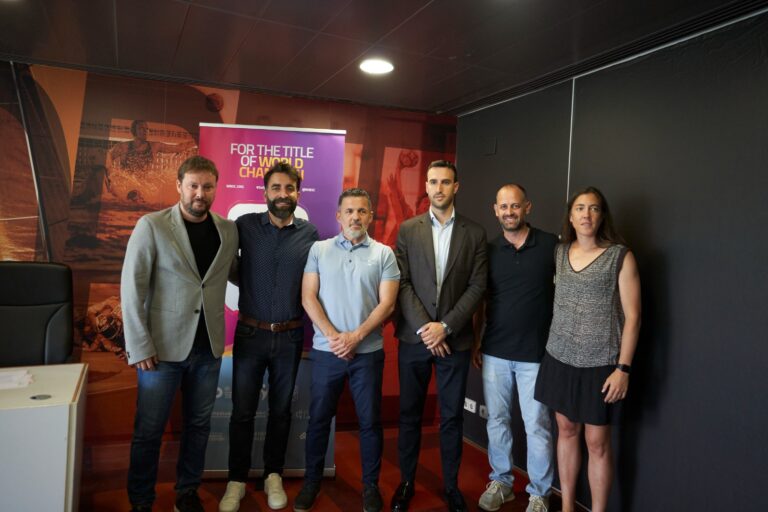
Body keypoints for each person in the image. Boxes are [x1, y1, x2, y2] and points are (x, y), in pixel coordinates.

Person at [121, 155, 238, 512]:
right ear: (179, 186)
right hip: (160, 351)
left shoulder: (228, 230)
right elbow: (131, 288)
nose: (200, 193)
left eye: (207, 186)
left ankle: (187, 492)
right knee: (148, 431)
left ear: (216, 187)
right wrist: (139, 346)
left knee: (199, 427)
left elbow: (233, 275)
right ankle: (141, 500)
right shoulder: (152, 226)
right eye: (193, 186)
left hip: (208, 349)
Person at [219, 162, 319, 512]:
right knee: (242, 411)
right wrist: (251, 285)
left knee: (280, 411)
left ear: (297, 193)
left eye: (289, 189)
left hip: (290, 337)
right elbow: (226, 266)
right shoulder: (245, 226)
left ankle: (273, 474)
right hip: (250, 333)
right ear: (265, 192)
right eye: (276, 188)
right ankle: (236, 480)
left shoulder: (310, 234)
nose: (282, 195)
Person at [534, 186, 641, 512]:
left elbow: (634, 316)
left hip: (601, 366)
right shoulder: (559, 253)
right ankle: (566, 506)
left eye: (594, 209)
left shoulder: (620, 256)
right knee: (565, 432)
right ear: (570, 215)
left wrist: (622, 369)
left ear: (602, 215)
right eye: (580, 208)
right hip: (560, 359)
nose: (586, 214)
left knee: (598, 444)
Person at [293, 188, 400, 512]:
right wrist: (335, 337)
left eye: (362, 211)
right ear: (339, 216)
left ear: (370, 216)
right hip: (327, 353)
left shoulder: (384, 254)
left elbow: (388, 303)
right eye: (349, 211)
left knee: (370, 423)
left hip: (367, 354)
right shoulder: (319, 250)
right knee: (318, 420)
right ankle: (311, 481)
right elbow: (308, 297)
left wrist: (355, 337)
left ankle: (370, 487)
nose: (355, 217)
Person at [392, 160, 487, 512]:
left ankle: (450, 487)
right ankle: (405, 483)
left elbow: (477, 286)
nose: (438, 188)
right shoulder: (408, 229)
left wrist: (445, 326)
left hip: (455, 341)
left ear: (456, 187)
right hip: (415, 339)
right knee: (409, 416)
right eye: (433, 182)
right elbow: (401, 281)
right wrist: (426, 328)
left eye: (445, 182)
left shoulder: (475, 233)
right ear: (427, 187)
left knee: (451, 418)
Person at [472, 184, 556, 512]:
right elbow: (480, 300)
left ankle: (539, 492)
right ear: (495, 210)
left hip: (535, 354)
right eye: (503, 207)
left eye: (515, 206)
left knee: (537, 424)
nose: (509, 212)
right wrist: (478, 339)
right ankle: (502, 482)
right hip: (494, 351)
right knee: (497, 420)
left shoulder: (550, 245)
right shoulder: (489, 250)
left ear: (527, 207)